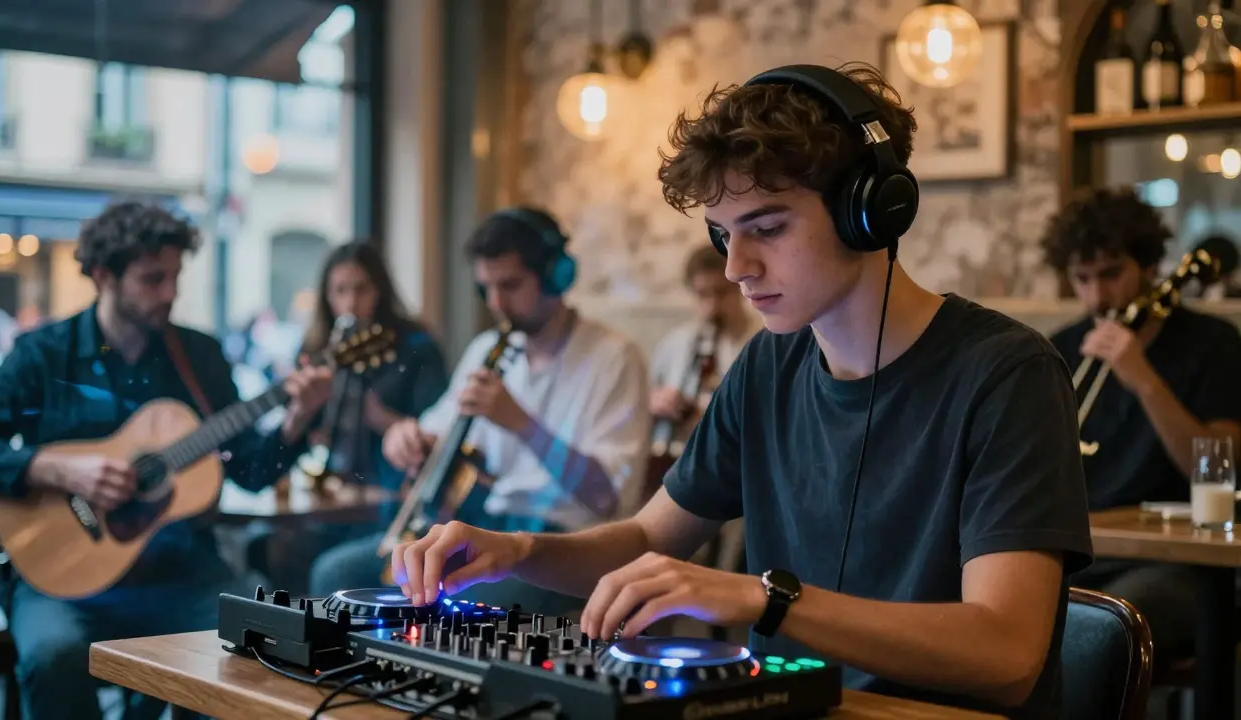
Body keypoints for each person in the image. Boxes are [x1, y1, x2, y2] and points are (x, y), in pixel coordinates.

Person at [388, 63, 1094, 719]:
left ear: (871, 211)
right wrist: (514, 550)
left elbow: (1007, 654)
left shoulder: (1008, 374)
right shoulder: (768, 365)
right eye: (724, 235)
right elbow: (642, 538)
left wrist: (764, 600)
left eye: (768, 229)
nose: (736, 268)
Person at [0, 201, 332, 720]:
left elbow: (249, 471)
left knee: (263, 641)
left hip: (180, 574)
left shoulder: (197, 356)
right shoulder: (42, 353)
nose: (170, 294)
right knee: (52, 656)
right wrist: (58, 469)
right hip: (62, 581)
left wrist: (296, 421)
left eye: (175, 277)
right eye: (152, 279)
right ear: (102, 274)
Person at [309, 206, 652, 615]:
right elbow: (433, 431)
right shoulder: (485, 349)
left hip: (564, 546)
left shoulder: (614, 358)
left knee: (444, 603)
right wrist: (405, 438)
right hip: (484, 532)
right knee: (334, 574)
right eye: (485, 288)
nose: (496, 303)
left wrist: (522, 423)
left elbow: (606, 497)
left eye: (510, 285)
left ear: (557, 276)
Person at [1042, 186, 1241, 660]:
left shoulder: (1213, 344)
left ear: (1150, 266)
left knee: (1103, 628)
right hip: (1082, 555)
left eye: (1111, 274)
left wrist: (1143, 379)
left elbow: (1217, 469)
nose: (1097, 296)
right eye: (1082, 279)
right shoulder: (1059, 350)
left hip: (1179, 564)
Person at [302, 241, 449, 592]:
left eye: (361, 289)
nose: (351, 303)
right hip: (332, 502)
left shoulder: (418, 347)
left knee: (331, 570)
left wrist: (379, 416)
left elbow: (437, 434)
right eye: (340, 291)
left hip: (392, 505)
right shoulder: (318, 348)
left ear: (380, 291)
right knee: (268, 550)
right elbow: (304, 436)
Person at [648, 244, 759, 576]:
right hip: (676, 463)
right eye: (701, 294)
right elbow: (644, 402)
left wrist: (714, 423)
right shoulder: (677, 342)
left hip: (735, 477)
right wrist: (655, 403)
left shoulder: (760, 342)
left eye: (721, 293)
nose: (711, 306)